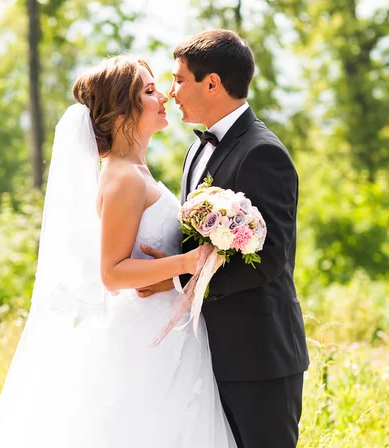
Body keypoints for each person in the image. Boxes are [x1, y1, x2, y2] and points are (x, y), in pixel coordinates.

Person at [0, 56, 236, 447]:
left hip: (165, 326)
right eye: (148, 91)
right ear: (121, 112)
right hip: (142, 334)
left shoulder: (136, 171)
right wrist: (189, 261)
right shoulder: (123, 178)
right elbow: (111, 273)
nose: (162, 96)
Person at [138, 30, 309, 448]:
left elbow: (269, 261)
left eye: (179, 80)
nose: (171, 92)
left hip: (258, 357)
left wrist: (177, 280)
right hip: (204, 352)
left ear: (211, 83)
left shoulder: (262, 153)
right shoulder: (196, 150)